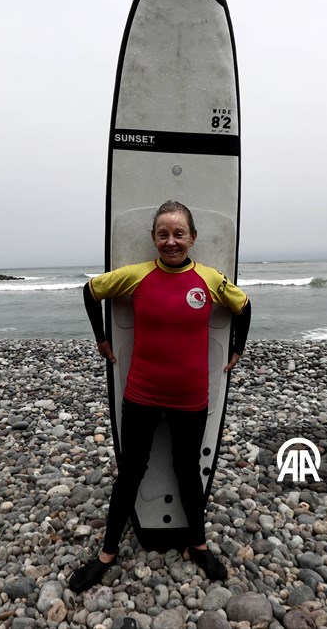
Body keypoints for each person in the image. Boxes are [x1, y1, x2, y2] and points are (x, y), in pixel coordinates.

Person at [68, 200, 252, 593]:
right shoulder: (136, 276)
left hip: (191, 397)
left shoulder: (209, 279)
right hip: (142, 393)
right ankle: (107, 553)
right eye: (163, 234)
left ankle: (199, 544)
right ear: (153, 238)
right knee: (131, 473)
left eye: (179, 234)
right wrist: (101, 339)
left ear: (192, 238)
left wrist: (238, 348)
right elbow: (90, 291)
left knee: (188, 471)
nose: (171, 241)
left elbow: (244, 306)